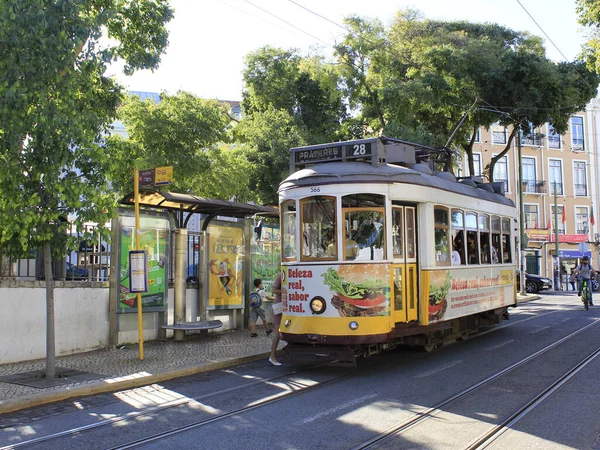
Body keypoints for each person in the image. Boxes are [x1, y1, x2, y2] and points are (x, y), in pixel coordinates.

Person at [269, 271, 283, 366]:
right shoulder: (281, 274)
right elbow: (274, 290)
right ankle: (272, 356)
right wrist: (286, 292)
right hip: (280, 306)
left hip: (291, 306)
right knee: (277, 333)